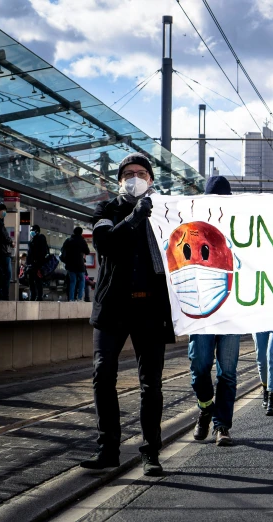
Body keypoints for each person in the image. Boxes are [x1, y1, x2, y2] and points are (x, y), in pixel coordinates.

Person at [80, 152, 174, 477]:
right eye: (129, 173)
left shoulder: (165, 213)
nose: (135, 178)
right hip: (113, 308)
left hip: (150, 309)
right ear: (119, 180)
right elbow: (104, 243)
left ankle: (151, 453)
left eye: (141, 173)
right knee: (102, 374)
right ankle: (108, 450)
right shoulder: (106, 210)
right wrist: (134, 217)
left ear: (151, 179)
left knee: (151, 384)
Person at [187, 175, 240, 447]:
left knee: (227, 373)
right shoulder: (194, 229)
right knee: (199, 366)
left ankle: (222, 427)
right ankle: (206, 407)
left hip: (231, 312)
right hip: (201, 313)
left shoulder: (241, 229)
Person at [61, 226, 90, 302]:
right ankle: (80, 298)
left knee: (72, 281)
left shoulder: (68, 240)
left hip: (70, 265)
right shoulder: (82, 241)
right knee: (82, 280)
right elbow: (87, 251)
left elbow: (62, 251)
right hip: (80, 264)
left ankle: (71, 298)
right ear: (81, 233)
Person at [27, 224, 49, 301]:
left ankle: (39, 296)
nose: (31, 232)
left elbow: (42, 252)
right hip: (32, 264)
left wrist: (38, 262)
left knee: (37, 280)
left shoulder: (41, 238)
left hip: (38, 264)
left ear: (37, 231)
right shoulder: (32, 240)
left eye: (32, 230)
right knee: (31, 281)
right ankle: (33, 296)